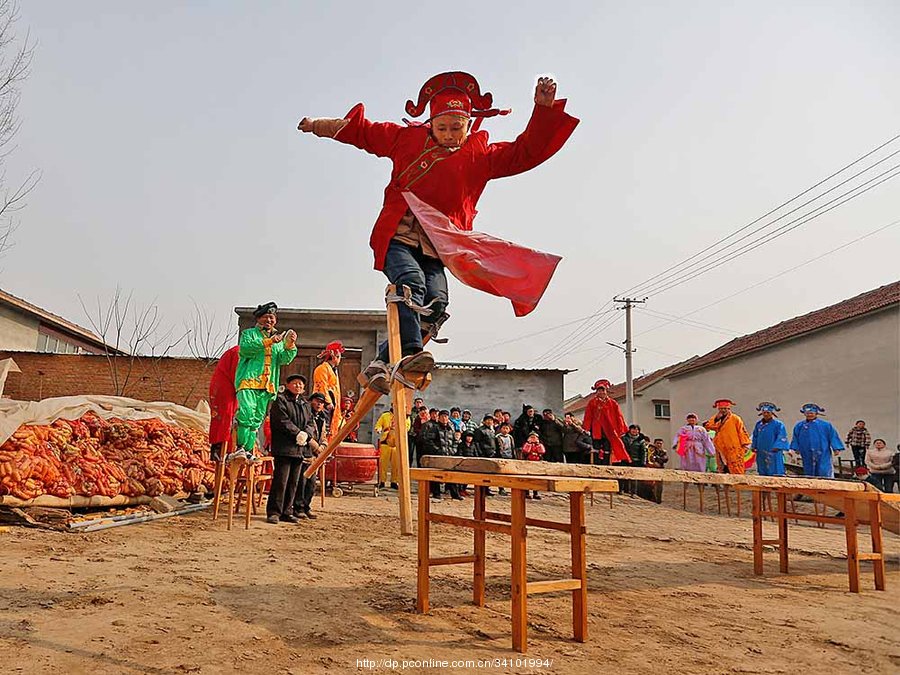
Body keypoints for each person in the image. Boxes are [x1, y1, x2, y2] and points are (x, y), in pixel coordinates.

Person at [298, 72, 578, 397]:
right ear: (430, 123)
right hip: (398, 236)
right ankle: (413, 353)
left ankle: (382, 362)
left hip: (439, 247)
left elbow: (526, 152)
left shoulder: (480, 156)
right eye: (441, 127)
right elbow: (362, 132)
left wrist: (542, 110)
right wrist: (316, 125)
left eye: (456, 128)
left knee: (436, 304)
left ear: (469, 125)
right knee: (410, 283)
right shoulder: (405, 140)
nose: (448, 134)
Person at [231, 303, 298, 462]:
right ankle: (239, 447)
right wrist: (269, 342)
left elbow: (284, 359)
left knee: (257, 420)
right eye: (266, 316)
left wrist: (289, 345)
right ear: (259, 318)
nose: (269, 320)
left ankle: (248, 451)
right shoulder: (249, 334)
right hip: (249, 381)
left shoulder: (278, 340)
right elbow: (246, 349)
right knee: (246, 412)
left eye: (272, 317)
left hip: (268, 384)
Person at [266, 375, 318, 524]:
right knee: (281, 481)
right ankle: (274, 512)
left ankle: (287, 512)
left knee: (294, 482)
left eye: (301, 384)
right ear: (288, 385)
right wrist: (297, 433)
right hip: (284, 447)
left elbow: (309, 422)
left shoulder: (304, 403)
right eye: (295, 384)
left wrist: (307, 435)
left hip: (299, 449)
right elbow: (282, 421)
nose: (298, 386)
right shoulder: (280, 400)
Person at [294, 391, 328, 519]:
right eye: (317, 401)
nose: (319, 404)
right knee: (301, 482)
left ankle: (306, 506)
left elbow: (324, 435)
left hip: (316, 456)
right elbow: (305, 434)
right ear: (311, 401)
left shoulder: (322, 417)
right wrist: (317, 447)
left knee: (311, 484)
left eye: (322, 403)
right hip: (305, 452)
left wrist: (323, 447)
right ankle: (298, 508)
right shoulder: (306, 414)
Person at [581, 379, 630, 466]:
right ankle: (596, 465)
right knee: (596, 448)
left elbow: (619, 416)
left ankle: (606, 465)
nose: (601, 392)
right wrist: (586, 428)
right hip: (596, 429)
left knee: (607, 448)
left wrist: (621, 428)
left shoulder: (613, 403)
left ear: (606, 391)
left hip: (609, 429)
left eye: (602, 390)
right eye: (599, 390)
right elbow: (588, 416)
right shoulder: (592, 403)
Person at [790, 403, 844, 478]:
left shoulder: (825, 425)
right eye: (807, 413)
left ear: (816, 413)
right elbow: (795, 437)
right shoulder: (799, 426)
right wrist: (796, 448)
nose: (809, 415)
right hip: (806, 451)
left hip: (823, 451)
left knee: (824, 469)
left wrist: (836, 448)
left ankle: (826, 485)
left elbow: (833, 436)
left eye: (811, 413)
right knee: (808, 469)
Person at [207, 344, 239, 462]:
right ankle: (219, 449)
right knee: (224, 415)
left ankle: (228, 449)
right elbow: (238, 375)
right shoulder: (239, 352)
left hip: (230, 386)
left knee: (229, 416)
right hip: (225, 387)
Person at [705, 399, 752, 474]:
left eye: (725, 409)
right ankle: (726, 485)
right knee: (722, 467)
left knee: (736, 466)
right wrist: (717, 418)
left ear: (729, 409)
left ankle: (737, 484)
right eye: (721, 409)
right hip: (721, 447)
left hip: (734, 447)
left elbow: (742, 431)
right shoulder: (716, 418)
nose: (723, 410)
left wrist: (745, 445)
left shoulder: (735, 418)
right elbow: (709, 426)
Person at [421, 409, 458, 500]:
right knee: (436, 475)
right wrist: (437, 450)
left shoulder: (451, 428)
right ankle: (436, 493)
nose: (444, 418)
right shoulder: (434, 428)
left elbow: (455, 441)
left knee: (451, 475)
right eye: (442, 416)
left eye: (446, 416)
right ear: (439, 418)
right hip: (438, 455)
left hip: (449, 454)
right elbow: (429, 441)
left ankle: (455, 494)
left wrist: (453, 450)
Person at [313, 340, 345, 441]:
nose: (339, 360)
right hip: (324, 404)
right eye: (339, 357)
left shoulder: (332, 370)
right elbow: (322, 386)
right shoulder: (322, 368)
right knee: (324, 427)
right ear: (334, 356)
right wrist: (328, 402)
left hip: (332, 404)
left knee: (332, 427)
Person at [751, 402, 789, 477]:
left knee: (775, 468)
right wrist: (754, 446)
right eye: (764, 412)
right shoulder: (759, 424)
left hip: (773, 451)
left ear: (772, 413)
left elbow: (782, 436)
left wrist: (778, 446)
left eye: (768, 412)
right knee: (762, 468)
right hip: (761, 451)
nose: (766, 414)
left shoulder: (778, 424)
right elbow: (755, 436)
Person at [374, 406, 408, 489]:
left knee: (396, 464)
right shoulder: (385, 415)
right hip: (385, 441)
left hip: (397, 443)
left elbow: (407, 427)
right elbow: (378, 425)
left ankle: (394, 481)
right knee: (383, 463)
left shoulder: (404, 416)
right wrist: (379, 429)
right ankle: (382, 481)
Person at [621, 424, 649, 495]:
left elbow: (643, 453)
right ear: (630, 430)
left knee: (633, 477)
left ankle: (633, 493)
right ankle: (622, 490)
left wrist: (643, 463)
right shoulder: (624, 438)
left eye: (637, 429)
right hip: (625, 460)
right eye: (633, 429)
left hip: (635, 461)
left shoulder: (641, 441)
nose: (635, 431)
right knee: (623, 476)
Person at [522, 431, 546, 499]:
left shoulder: (539, 445)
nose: (533, 439)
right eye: (531, 437)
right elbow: (525, 451)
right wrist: (529, 443)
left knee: (536, 478)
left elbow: (542, 451)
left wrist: (538, 444)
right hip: (528, 462)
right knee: (527, 478)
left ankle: (536, 493)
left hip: (536, 462)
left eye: (534, 437)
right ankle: (527, 492)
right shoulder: (527, 444)